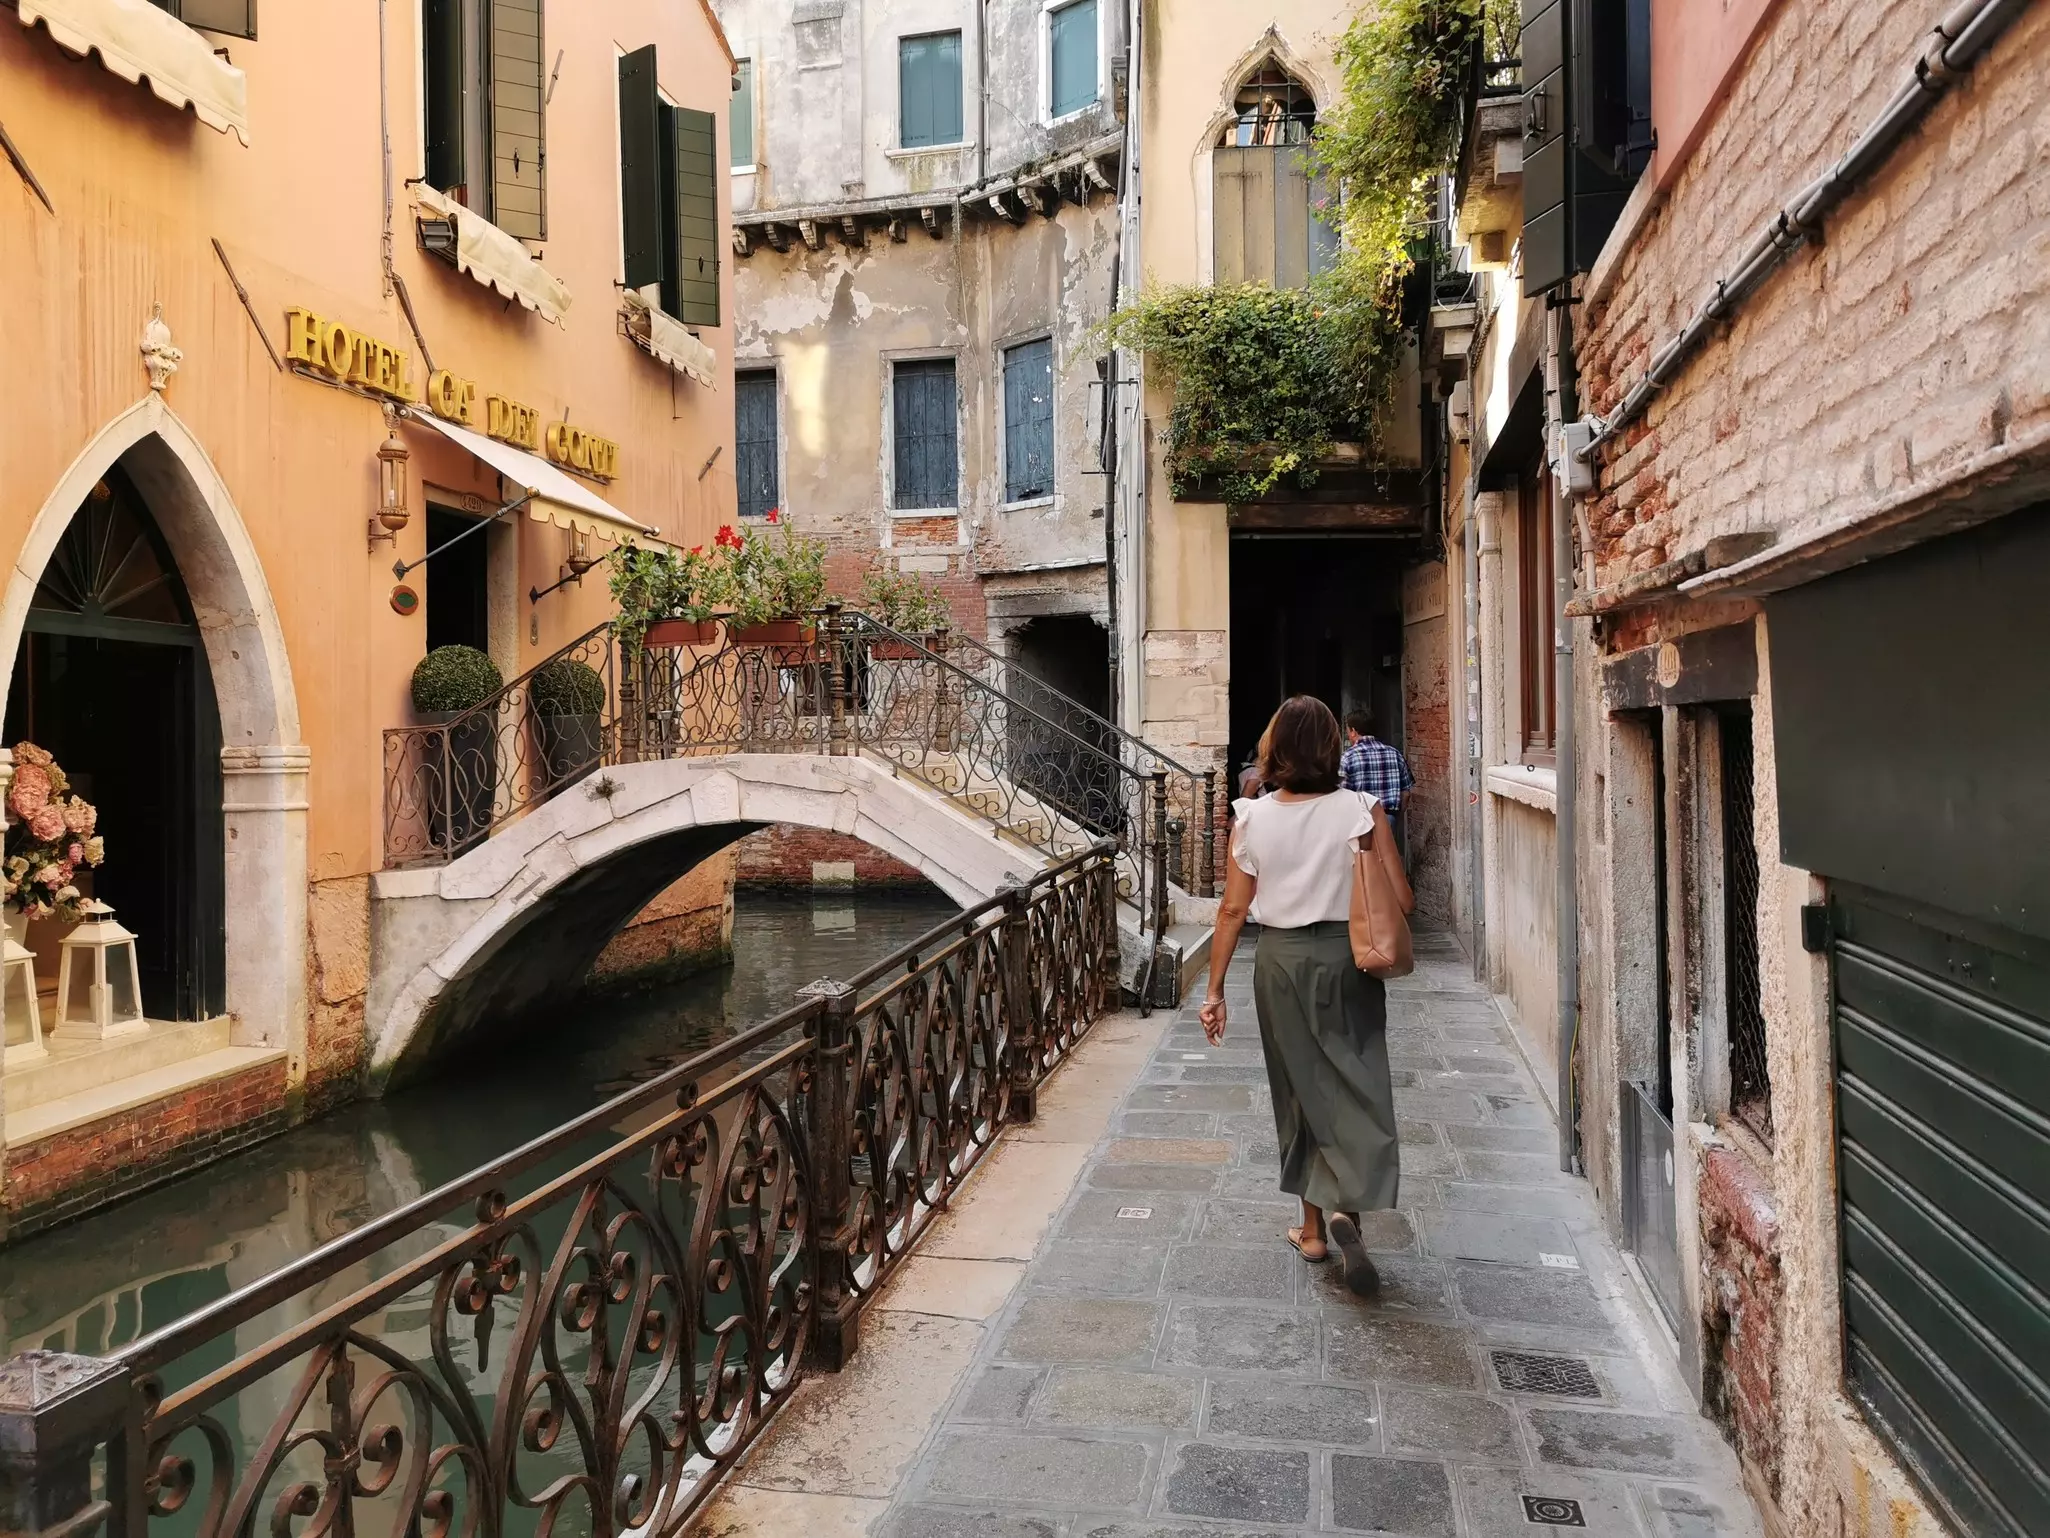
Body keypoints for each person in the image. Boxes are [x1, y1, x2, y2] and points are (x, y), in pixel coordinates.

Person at [1200, 695, 1414, 1295]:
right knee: (1357, 1078)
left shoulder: (1252, 816)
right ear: (1331, 747)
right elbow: (1402, 899)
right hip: (1349, 959)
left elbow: (1234, 910)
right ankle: (1351, 1208)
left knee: (1297, 1089)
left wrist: (1214, 992)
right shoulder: (1362, 811)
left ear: (1274, 749)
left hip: (1281, 961)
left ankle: (1314, 1229)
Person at [1339, 709, 1415, 822]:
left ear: (1353, 731)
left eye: (1348, 731)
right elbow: (1406, 793)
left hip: (1359, 821)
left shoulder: (1347, 757)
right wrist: (1395, 817)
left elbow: (1341, 794)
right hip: (1388, 818)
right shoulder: (1394, 754)